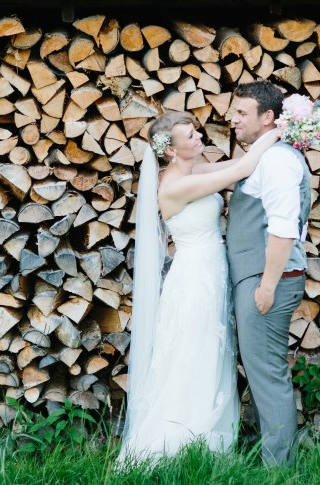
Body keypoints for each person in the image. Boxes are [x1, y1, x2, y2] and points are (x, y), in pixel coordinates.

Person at [117, 110, 280, 465]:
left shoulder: (193, 170)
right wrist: (281, 128)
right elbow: (240, 170)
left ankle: (206, 444)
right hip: (195, 279)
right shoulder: (175, 185)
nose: (199, 138)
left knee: (212, 351)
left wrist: (269, 135)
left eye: (196, 132)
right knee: (193, 352)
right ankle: (176, 442)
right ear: (172, 151)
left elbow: (239, 163)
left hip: (211, 272)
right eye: (190, 137)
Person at [226, 80, 311, 466]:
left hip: (269, 280)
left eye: (242, 112)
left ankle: (279, 468)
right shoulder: (268, 154)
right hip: (260, 276)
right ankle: (272, 456)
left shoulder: (277, 160)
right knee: (262, 371)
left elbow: (283, 228)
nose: (232, 118)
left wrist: (267, 286)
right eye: (234, 110)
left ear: (268, 118)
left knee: (268, 374)